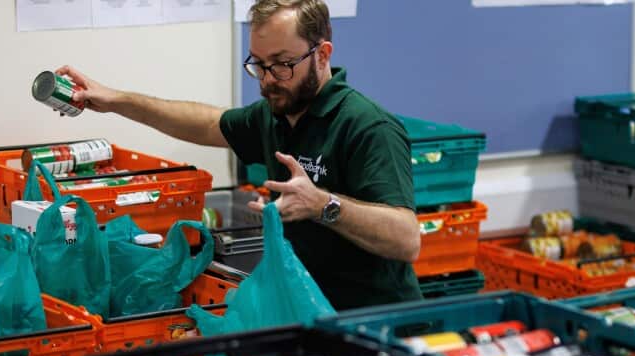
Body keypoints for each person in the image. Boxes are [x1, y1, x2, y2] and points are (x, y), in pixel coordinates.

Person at [55, 0, 422, 311]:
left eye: (281, 64)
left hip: (378, 322)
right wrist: (115, 100)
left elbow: (407, 239)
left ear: (322, 54)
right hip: (311, 314)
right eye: (258, 64)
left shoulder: (367, 127)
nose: (266, 80)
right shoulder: (275, 114)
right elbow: (205, 123)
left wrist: (323, 204)